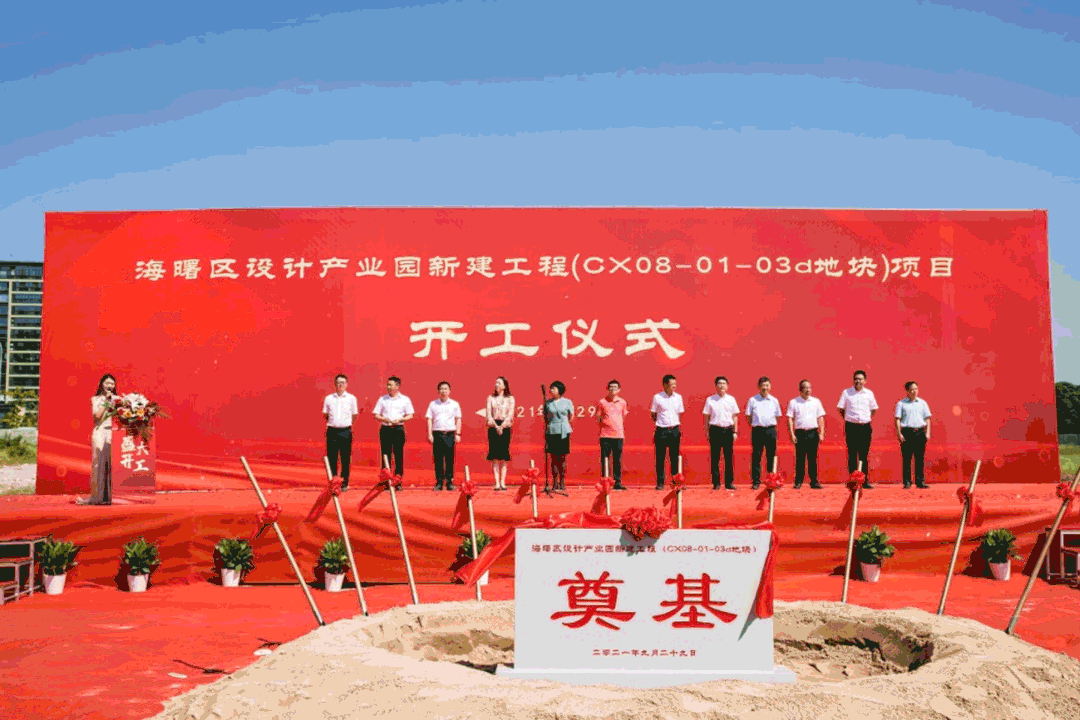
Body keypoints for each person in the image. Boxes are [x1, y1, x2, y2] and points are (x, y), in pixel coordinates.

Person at [837, 369, 877, 489]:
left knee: (864, 454)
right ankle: (853, 481)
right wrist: (850, 418)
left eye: (860, 379)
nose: (858, 381)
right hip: (851, 427)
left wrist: (865, 418)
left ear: (865, 381)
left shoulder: (869, 393)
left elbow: (873, 409)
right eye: (856, 379)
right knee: (852, 453)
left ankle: (864, 481)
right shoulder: (846, 393)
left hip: (865, 427)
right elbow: (841, 408)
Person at [80, 373, 117, 505]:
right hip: (100, 432)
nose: (110, 386)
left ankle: (109, 497)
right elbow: (97, 416)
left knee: (112, 465)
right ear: (102, 384)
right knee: (99, 464)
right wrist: (106, 402)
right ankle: (97, 497)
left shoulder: (117, 399)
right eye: (107, 383)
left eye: (112, 383)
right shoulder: (95, 399)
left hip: (113, 434)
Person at [373, 376, 414, 489]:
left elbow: (410, 414)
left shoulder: (405, 399)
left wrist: (401, 419)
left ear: (397, 386)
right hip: (385, 429)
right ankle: (385, 481)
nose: (388, 387)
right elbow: (376, 414)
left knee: (398, 455)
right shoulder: (382, 399)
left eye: (391, 385)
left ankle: (397, 481)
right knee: (385, 455)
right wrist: (383, 418)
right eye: (388, 385)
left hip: (398, 429)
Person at [786, 379, 826, 489]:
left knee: (813, 458)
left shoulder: (816, 401)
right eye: (805, 388)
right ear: (800, 389)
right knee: (800, 458)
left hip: (813, 432)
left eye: (809, 387)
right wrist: (792, 434)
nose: (807, 390)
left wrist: (821, 433)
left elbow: (820, 418)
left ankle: (814, 481)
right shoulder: (794, 402)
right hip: (800, 433)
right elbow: (790, 419)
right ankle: (798, 481)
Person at [745, 376, 783, 490]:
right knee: (756, 456)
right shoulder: (753, 400)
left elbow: (778, 416)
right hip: (757, 430)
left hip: (770, 430)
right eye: (762, 385)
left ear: (770, 387)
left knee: (771, 456)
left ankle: (771, 481)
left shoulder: (774, 400)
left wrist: (770, 425)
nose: (765, 388)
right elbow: (748, 416)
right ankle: (756, 481)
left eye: (767, 385)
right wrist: (756, 424)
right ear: (758, 387)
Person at [323, 373, 359, 491]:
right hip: (332, 431)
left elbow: (354, 415)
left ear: (346, 384)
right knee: (332, 458)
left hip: (345, 431)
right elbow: (325, 414)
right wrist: (335, 423)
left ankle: (344, 483)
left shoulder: (351, 398)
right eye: (338, 382)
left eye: (342, 383)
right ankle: (333, 483)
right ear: (335, 384)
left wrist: (344, 423)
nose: (340, 385)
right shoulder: (329, 398)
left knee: (345, 458)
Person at [702, 376, 739, 490]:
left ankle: (729, 483)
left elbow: (735, 416)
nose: (722, 385)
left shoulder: (731, 399)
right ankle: (716, 483)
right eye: (719, 383)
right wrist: (707, 432)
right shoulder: (710, 400)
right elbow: (707, 417)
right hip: (715, 430)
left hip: (728, 430)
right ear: (716, 386)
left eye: (724, 383)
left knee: (729, 458)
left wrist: (735, 431)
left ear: (727, 386)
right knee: (715, 458)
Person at [895, 381, 932, 489]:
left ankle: (920, 482)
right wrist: (899, 433)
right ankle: (907, 482)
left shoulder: (922, 403)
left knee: (919, 458)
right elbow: (897, 419)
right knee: (907, 458)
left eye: (916, 389)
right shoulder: (901, 404)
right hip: (907, 432)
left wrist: (927, 433)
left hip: (920, 432)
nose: (914, 391)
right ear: (907, 391)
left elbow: (927, 419)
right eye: (912, 389)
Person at [650, 374, 684, 490]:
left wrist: (673, 424)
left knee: (674, 457)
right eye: (671, 384)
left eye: (675, 384)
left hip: (674, 430)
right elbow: (653, 413)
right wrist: (661, 423)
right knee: (660, 457)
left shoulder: (678, 397)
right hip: (661, 430)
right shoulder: (657, 397)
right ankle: (660, 483)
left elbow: (679, 413)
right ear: (664, 385)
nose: (674, 386)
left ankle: (676, 482)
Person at [426, 381, 462, 491]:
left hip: (450, 434)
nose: (443, 391)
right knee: (438, 458)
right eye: (441, 389)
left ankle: (450, 482)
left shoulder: (454, 404)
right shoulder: (433, 404)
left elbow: (458, 419)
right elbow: (429, 419)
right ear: (438, 391)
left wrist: (458, 433)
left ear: (449, 391)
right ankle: (439, 482)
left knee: (450, 458)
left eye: (446, 389)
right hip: (437, 434)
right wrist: (430, 434)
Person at [597, 379, 629, 490]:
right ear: (607, 389)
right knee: (605, 459)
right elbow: (598, 417)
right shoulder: (602, 402)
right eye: (610, 387)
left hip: (618, 435)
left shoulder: (622, 402)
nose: (612, 389)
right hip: (605, 435)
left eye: (615, 387)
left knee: (617, 460)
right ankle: (605, 482)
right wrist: (606, 426)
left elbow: (623, 416)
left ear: (619, 389)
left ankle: (617, 483)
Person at [485, 376, 515, 491]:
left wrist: (502, 426)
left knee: (504, 455)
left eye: (499, 383)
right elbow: (488, 414)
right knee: (495, 456)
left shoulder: (510, 398)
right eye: (496, 383)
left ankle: (503, 482)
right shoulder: (490, 398)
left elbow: (510, 414)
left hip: (505, 427)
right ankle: (497, 482)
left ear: (504, 386)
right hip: (493, 427)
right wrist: (496, 426)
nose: (496, 385)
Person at [544, 381, 574, 491]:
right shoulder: (548, 403)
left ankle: (562, 482)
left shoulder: (567, 402)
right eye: (551, 388)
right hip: (552, 431)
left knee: (562, 457)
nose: (551, 390)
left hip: (563, 431)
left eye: (554, 388)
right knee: (553, 458)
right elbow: (545, 417)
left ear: (559, 390)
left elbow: (571, 415)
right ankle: (555, 482)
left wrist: (565, 424)